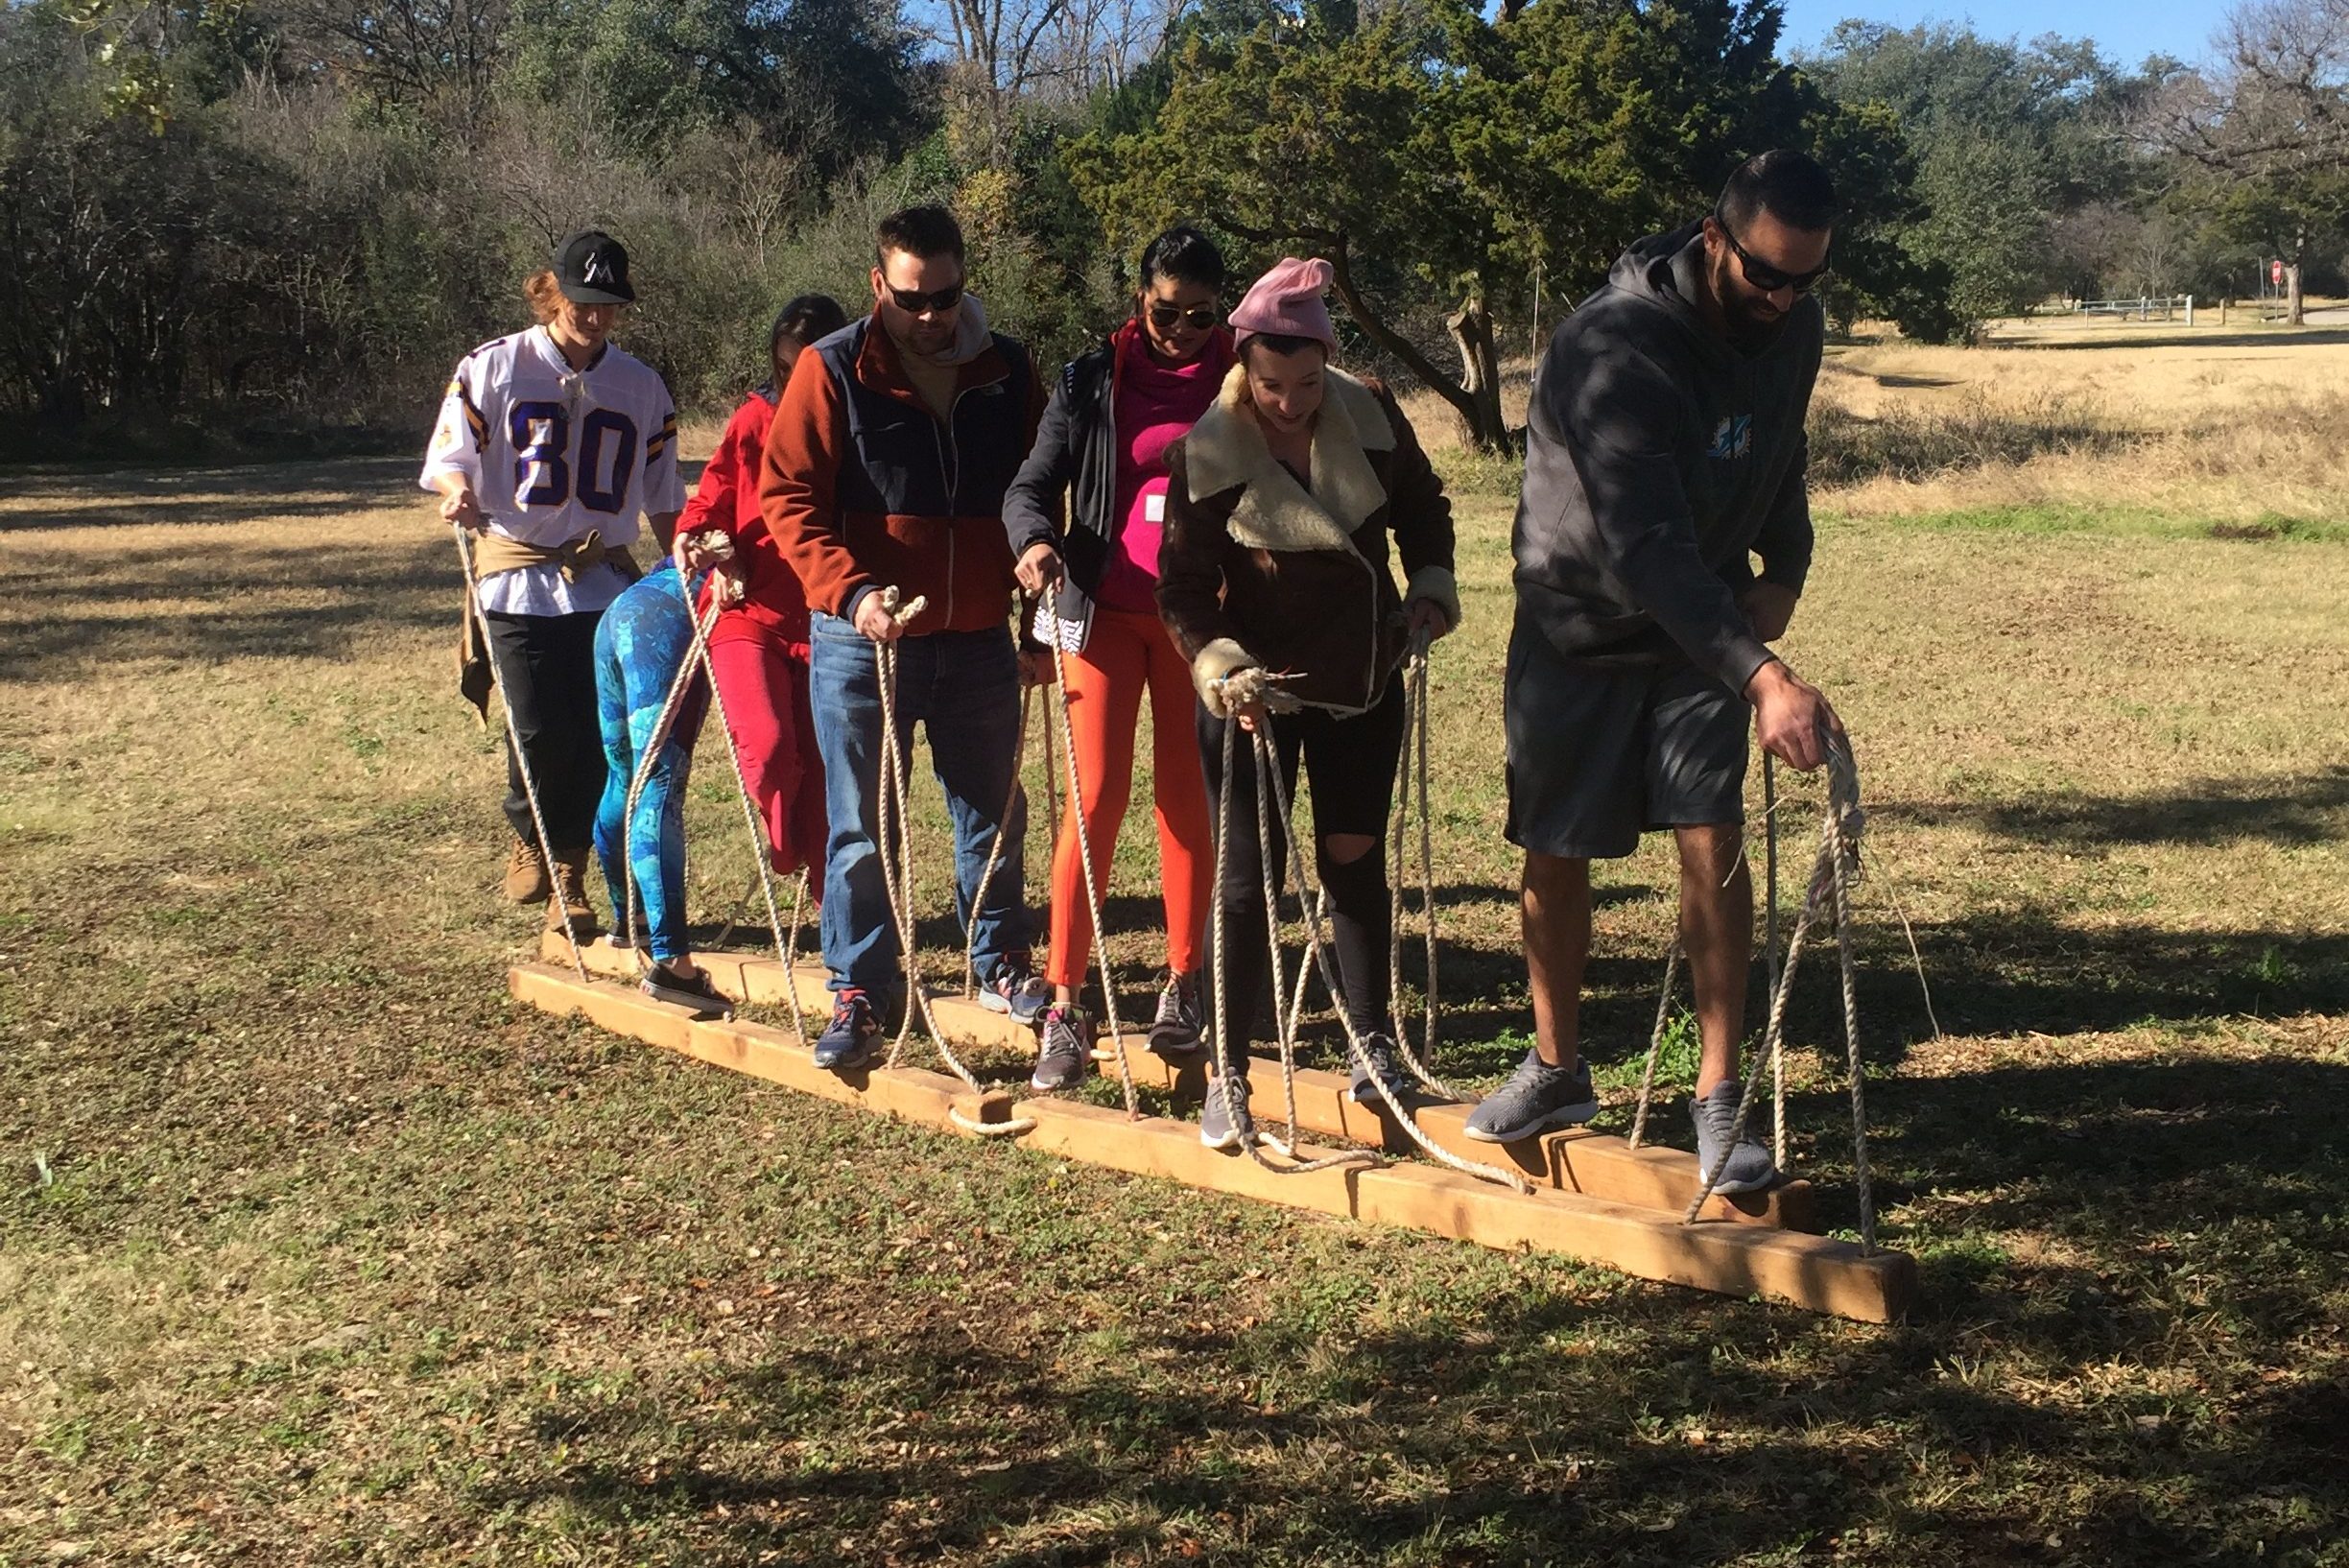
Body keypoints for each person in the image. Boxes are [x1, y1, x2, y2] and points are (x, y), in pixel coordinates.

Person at [1467, 151, 1844, 1196]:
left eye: (1807, 281)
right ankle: (1556, 1066)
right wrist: (1763, 672)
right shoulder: (1612, 344)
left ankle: (1719, 1101)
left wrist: (1787, 565)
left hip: (1702, 623)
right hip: (1581, 616)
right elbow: (1643, 545)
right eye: (1767, 275)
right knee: (1554, 843)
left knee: (1712, 838)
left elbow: (1780, 451)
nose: (1783, 301)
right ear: (1715, 239)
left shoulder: (1794, 328)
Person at [1156, 256, 1461, 1150]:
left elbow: (1424, 507)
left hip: (1363, 676)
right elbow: (1179, 588)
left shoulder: (1369, 412)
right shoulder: (1205, 450)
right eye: (1271, 384)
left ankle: (1374, 1046)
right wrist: (1216, 663)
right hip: (1248, 696)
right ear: (1243, 370)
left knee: (1353, 861)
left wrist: (1431, 584)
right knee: (1245, 886)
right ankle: (1231, 1074)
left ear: (1328, 363)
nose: (1290, 401)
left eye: (1306, 381)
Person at [760, 205, 1051, 1072]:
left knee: (993, 812)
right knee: (858, 825)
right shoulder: (831, 367)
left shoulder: (1008, 370)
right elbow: (789, 499)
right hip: (863, 640)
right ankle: (861, 987)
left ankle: (998, 963)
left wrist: (1034, 615)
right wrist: (850, 595)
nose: (932, 317)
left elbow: (1038, 490)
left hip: (978, 640)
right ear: (878, 286)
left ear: (966, 282)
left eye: (948, 297)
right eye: (913, 300)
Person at [1001, 226, 1233, 1090]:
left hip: (1196, 619)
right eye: (1167, 312)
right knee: (1095, 797)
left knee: (1186, 795)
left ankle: (1185, 985)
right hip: (1097, 609)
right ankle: (1064, 1002)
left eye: (1200, 317)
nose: (1180, 331)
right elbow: (1030, 485)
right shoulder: (1089, 375)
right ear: (1141, 299)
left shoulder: (1241, 372)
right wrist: (1033, 542)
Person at [424, 229, 684, 936]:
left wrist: (684, 559)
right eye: (581, 304)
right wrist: (456, 490)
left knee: (597, 732)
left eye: (607, 306)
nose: (594, 318)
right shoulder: (494, 366)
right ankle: (530, 832)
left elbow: (662, 490)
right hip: (517, 576)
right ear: (551, 293)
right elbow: (452, 451)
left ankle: (568, 869)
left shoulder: (640, 385)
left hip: (603, 581)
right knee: (541, 728)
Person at [677, 295, 849, 888]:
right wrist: (701, 540)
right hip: (745, 610)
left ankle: (840, 932)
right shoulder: (754, 421)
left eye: (806, 367)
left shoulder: (857, 428)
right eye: (783, 367)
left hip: (827, 620)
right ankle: (787, 844)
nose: (792, 381)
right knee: (773, 750)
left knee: (831, 778)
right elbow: (708, 501)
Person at [589, 552, 733, 1015]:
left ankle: (628, 917)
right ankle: (672, 961)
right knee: (659, 785)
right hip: (670, 625)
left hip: (623, 611)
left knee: (623, 776)